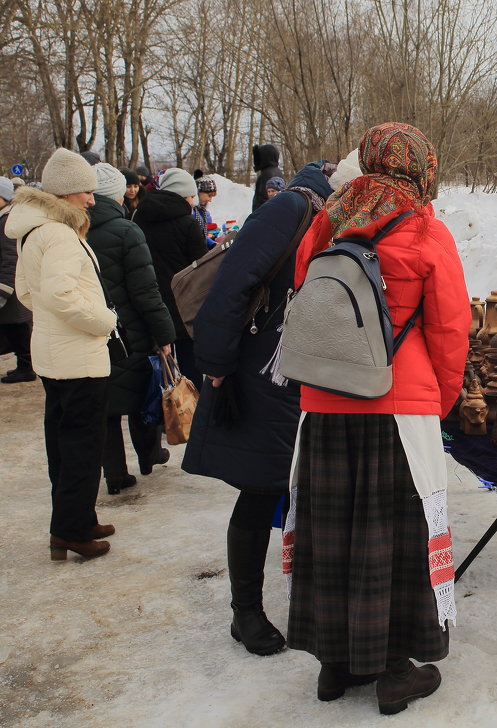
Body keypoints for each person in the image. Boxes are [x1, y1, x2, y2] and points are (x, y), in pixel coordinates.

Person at [286, 122, 469, 714]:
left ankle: (334, 664)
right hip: (396, 401)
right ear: (420, 165)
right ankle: (393, 670)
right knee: (392, 536)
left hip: (324, 404)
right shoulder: (423, 226)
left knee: (333, 532)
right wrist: (437, 403)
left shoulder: (327, 218)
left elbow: (307, 301)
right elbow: (448, 328)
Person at [182, 160, 337, 657]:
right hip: (260, 374)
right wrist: (218, 365)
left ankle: (308, 603)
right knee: (259, 490)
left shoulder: (329, 218)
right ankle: (244, 611)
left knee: (303, 494)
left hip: (305, 376)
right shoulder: (289, 208)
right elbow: (232, 286)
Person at [5, 149, 119, 560]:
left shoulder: (35, 230)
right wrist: (104, 320)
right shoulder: (57, 233)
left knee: (64, 442)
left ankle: (76, 519)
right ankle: (71, 530)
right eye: (86, 191)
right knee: (82, 445)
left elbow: (27, 292)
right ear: (68, 192)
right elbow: (58, 293)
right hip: (78, 356)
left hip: (55, 354)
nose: (91, 199)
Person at [89, 164, 176, 493]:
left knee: (107, 406)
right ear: (115, 194)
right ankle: (149, 455)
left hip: (96, 332)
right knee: (144, 394)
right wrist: (164, 334)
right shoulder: (127, 231)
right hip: (133, 332)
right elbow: (146, 291)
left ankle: (114, 475)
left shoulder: (75, 232)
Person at [134, 167, 207, 385]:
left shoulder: (139, 216)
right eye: (191, 196)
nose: (193, 201)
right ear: (184, 195)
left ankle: (158, 410)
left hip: (150, 299)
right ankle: (189, 411)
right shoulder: (188, 223)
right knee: (189, 367)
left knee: (157, 367)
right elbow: (200, 267)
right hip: (183, 303)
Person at [0, 177, 36, 383]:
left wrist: (3, 290)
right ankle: (23, 365)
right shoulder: (5, 218)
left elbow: (10, 259)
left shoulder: (7, 222)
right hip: (11, 288)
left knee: (18, 331)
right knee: (14, 331)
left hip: (10, 289)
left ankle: (26, 367)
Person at [251, 144, 282, 211]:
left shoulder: (266, 175)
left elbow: (263, 200)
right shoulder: (278, 171)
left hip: (264, 216)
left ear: (264, 157)